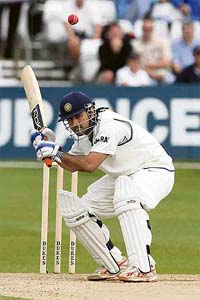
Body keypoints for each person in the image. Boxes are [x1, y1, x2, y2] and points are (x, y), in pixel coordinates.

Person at [31, 91, 175, 282]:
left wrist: (57, 153)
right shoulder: (82, 136)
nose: (75, 124)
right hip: (125, 174)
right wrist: (52, 150)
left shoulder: (109, 125)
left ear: (90, 111)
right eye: (70, 120)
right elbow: (73, 165)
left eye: (78, 116)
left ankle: (143, 267)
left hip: (155, 170)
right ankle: (114, 264)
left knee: (127, 194)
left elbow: (89, 165)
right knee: (76, 210)